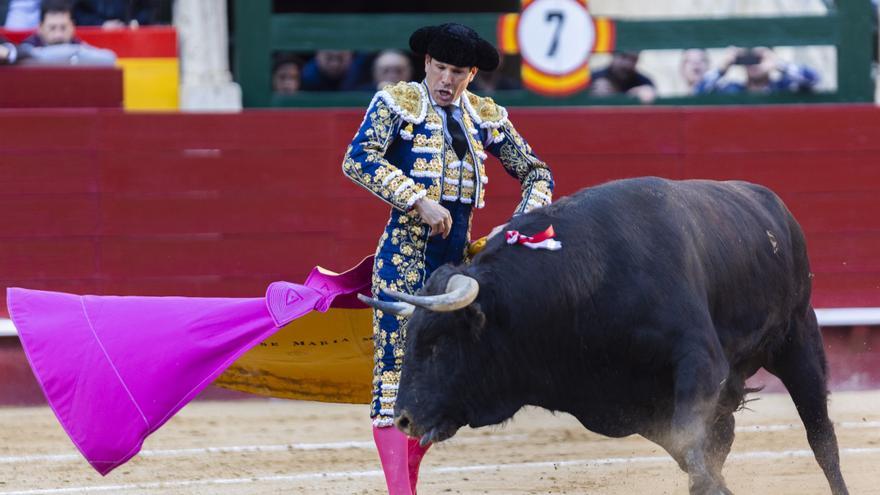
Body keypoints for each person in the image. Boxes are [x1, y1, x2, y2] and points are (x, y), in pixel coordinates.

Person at [342, 23, 554, 495]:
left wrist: (514, 226)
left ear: (472, 73)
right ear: (426, 64)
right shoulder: (397, 101)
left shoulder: (485, 114)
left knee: (443, 383)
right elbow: (358, 158)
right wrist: (417, 199)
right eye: (439, 68)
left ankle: (407, 482)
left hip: (458, 271)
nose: (445, 80)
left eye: (457, 72)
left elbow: (537, 172)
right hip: (404, 260)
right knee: (395, 374)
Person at [17, 0, 116, 65]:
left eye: (63, 28)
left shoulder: (77, 45)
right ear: (40, 28)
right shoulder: (26, 47)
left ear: (72, 27)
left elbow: (109, 58)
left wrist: (76, 50)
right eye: (52, 28)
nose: (58, 35)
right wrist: (72, 54)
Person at [695, 46, 820, 94]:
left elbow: (813, 79)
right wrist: (722, 68)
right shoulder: (732, 90)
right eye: (750, 59)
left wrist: (779, 64)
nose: (754, 64)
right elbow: (698, 92)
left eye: (759, 59)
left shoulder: (783, 87)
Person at [589, 51, 656, 104]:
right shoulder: (593, 77)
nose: (627, 63)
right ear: (613, 56)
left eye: (633, 59)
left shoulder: (643, 81)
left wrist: (646, 91)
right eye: (624, 57)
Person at [300, 49, 367, 91]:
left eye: (340, 58)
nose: (334, 64)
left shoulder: (359, 71)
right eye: (329, 58)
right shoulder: (307, 77)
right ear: (318, 55)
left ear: (350, 55)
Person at [72, 0, 156, 28]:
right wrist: (101, 24)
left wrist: (136, 22)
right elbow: (76, 13)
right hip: (93, 36)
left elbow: (149, 8)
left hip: (130, 34)